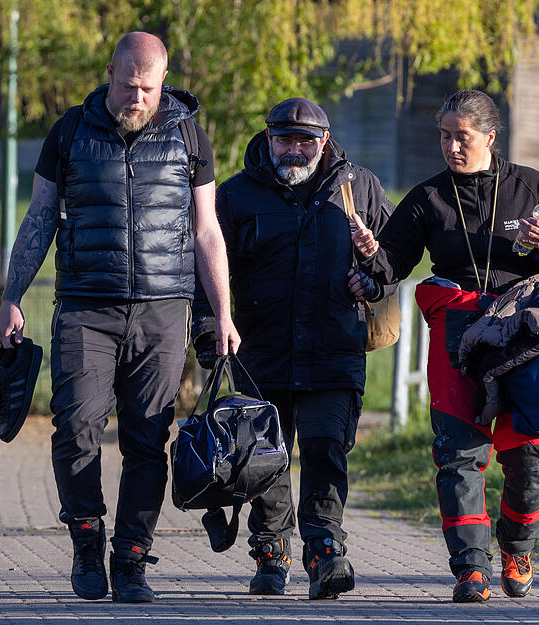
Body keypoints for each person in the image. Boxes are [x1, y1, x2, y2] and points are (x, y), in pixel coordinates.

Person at [0, 32, 239, 603]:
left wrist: (223, 313)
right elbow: (38, 219)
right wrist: (12, 296)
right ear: (109, 73)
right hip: (85, 307)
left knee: (148, 438)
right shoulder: (70, 133)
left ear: (163, 83)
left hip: (162, 311)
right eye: (128, 86)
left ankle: (131, 561)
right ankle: (86, 540)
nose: (137, 99)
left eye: (148, 89)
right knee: (76, 427)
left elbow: (207, 230)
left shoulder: (187, 134)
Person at [351, 89, 539, 602]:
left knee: (530, 457)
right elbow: (390, 267)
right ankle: (470, 569)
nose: (452, 147)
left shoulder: (531, 187)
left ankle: (517, 548)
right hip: (456, 332)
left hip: (523, 333)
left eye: (463, 137)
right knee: (459, 453)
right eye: (445, 136)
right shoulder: (428, 197)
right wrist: (370, 255)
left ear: (491, 137)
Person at [192, 97, 394, 599]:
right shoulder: (237, 196)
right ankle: (271, 550)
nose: (295, 149)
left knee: (327, 449)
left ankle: (325, 551)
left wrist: (370, 276)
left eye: (306, 140)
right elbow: (206, 270)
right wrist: (207, 329)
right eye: (285, 139)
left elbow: (393, 265)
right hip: (261, 352)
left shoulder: (359, 188)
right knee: (263, 456)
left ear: (324, 141)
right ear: (268, 138)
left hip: (333, 349)